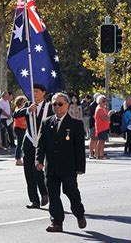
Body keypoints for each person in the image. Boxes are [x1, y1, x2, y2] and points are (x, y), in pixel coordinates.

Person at [36, 92, 87, 232]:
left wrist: (80, 167)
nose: (57, 107)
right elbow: (41, 144)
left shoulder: (76, 124)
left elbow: (79, 148)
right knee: (53, 194)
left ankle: (79, 213)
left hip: (68, 167)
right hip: (51, 167)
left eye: (60, 104)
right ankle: (57, 222)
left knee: (71, 192)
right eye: (54, 104)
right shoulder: (47, 122)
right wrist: (39, 160)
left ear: (67, 105)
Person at [13, 84, 52, 209]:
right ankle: (34, 200)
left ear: (43, 92)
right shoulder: (29, 104)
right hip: (29, 141)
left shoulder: (49, 106)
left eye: (37, 91)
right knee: (28, 172)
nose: (34, 94)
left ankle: (44, 192)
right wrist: (28, 109)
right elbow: (16, 114)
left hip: (43, 142)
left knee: (38, 170)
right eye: (33, 91)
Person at [94, 95, 114, 160]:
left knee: (103, 142)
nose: (105, 102)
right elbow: (103, 118)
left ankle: (101, 155)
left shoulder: (104, 108)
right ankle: (97, 155)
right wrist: (109, 114)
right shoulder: (99, 109)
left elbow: (106, 118)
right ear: (99, 101)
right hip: (100, 127)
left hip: (104, 127)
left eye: (105, 101)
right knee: (100, 141)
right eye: (103, 101)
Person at [13, 96, 27, 166]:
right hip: (19, 128)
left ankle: (19, 158)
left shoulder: (21, 109)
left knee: (22, 144)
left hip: (22, 128)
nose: (25, 103)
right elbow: (22, 121)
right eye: (24, 101)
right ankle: (18, 159)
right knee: (20, 144)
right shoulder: (18, 109)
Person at [88, 93, 100, 159]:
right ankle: (91, 154)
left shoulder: (100, 105)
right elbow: (93, 115)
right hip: (93, 124)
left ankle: (96, 153)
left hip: (98, 124)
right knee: (92, 139)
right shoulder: (92, 105)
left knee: (97, 139)